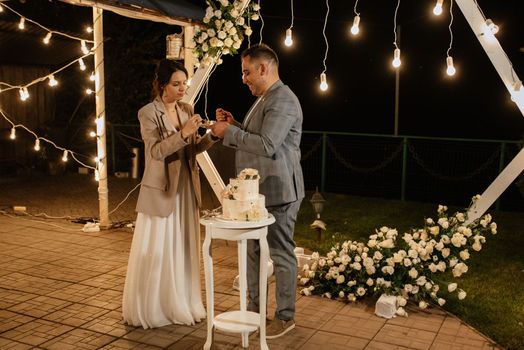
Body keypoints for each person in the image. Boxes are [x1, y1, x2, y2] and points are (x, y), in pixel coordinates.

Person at [211, 43, 305, 339]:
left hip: (280, 191)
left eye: (247, 72)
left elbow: (267, 145)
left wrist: (230, 133)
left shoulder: (283, 100)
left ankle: (285, 317)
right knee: (252, 252)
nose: (244, 78)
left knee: (280, 253)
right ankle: (254, 312)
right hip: (256, 194)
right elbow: (257, 136)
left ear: (264, 68)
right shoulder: (267, 98)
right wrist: (234, 125)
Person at [122, 59, 219, 329]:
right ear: (161, 84)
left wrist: (211, 136)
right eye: (176, 84)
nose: (181, 88)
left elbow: (192, 150)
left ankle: (182, 301)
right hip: (162, 190)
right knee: (159, 247)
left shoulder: (187, 109)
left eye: (184, 84)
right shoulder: (147, 113)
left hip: (187, 188)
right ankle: (154, 307)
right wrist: (184, 133)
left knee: (183, 246)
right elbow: (154, 152)